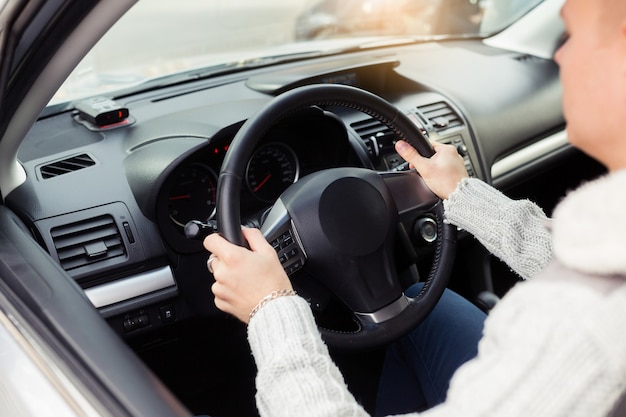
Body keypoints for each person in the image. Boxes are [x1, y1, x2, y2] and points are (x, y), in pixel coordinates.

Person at [203, 0, 626, 415]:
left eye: (572, 34)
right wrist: (462, 192)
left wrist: (270, 306)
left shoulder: (588, 329)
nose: (559, 53)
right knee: (420, 303)